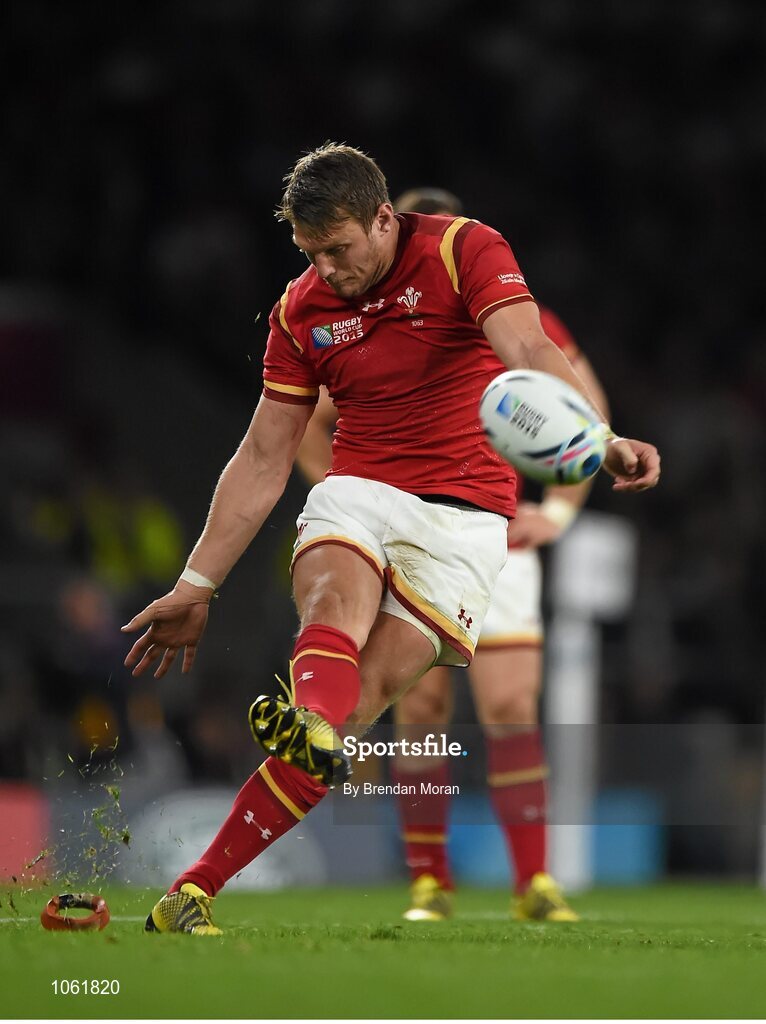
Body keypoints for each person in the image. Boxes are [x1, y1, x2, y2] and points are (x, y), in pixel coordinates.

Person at [122, 143, 660, 935]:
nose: (327, 269)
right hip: (363, 491)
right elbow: (264, 456)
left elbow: (528, 350)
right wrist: (196, 584)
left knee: (361, 711)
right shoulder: (299, 311)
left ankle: (207, 872)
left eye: (338, 249)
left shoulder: (462, 248)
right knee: (332, 605)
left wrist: (600, 443)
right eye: (310, 253)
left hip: (468, 526)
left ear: (382, 219)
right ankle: (205, 882)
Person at [295, 188, 607, 923]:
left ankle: (534, 881)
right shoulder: (371, 318)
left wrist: (559, 512)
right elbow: (311, 419)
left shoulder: (508, 310)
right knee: (422, 708)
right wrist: (346, 491)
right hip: (406, 529)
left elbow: (584, 406)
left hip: (493, 528)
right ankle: (430, 881)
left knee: (510, 706)